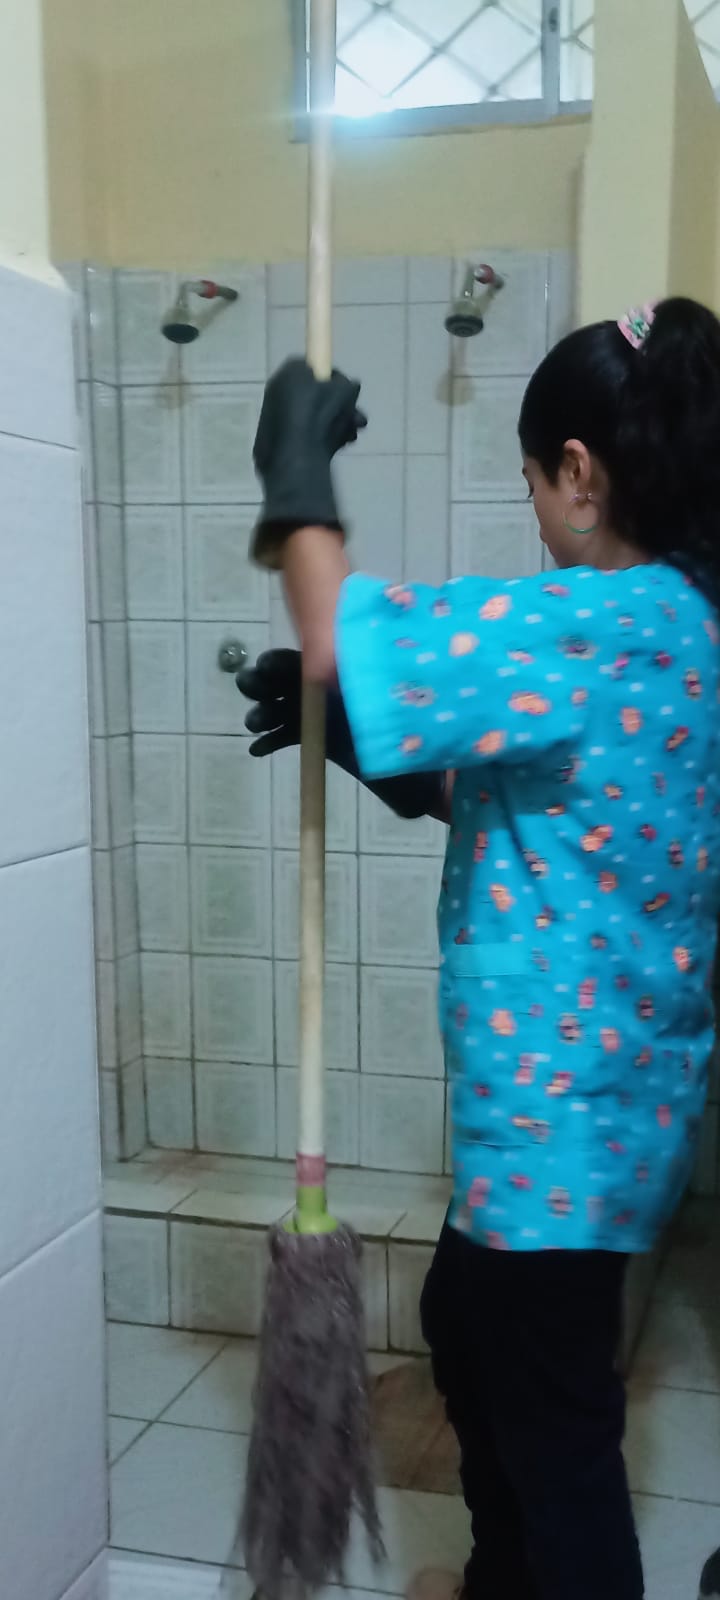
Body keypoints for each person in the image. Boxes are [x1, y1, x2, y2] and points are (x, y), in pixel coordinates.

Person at [237, 297, 720, 1600]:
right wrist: (370, 753)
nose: (537, 511)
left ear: (580, 474)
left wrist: (295, 468)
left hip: (559, 1118)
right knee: (469, 1323)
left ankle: (533, 1573)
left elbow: (346, 637)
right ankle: (506, 1575)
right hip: (611, 1113)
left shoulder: (597, 619)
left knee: (558, 1429)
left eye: (532, 482)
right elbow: (566, 815)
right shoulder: (690, 628)